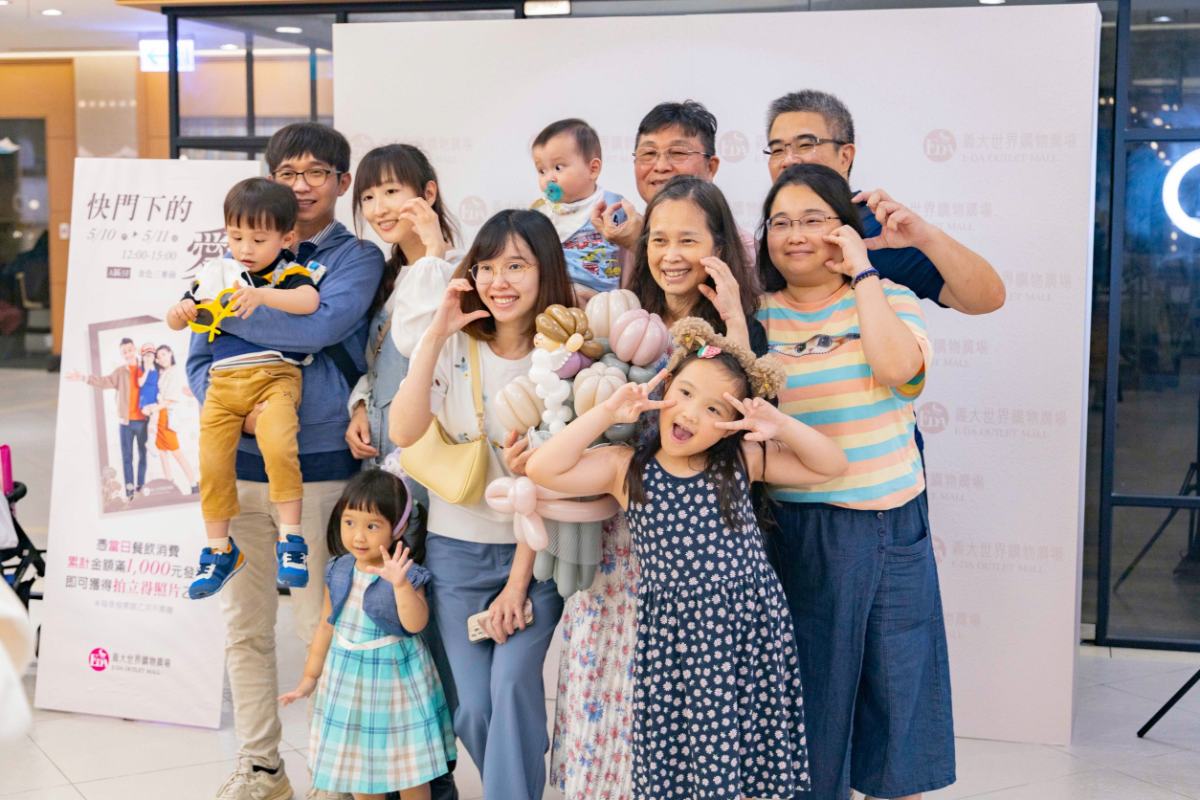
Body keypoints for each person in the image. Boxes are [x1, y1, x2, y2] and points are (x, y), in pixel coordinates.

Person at [526, 317, 847, 800]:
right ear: (665, 387)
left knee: (741, 753)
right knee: (682, 759)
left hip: (744, 629)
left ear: (731, 423)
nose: (693, 413)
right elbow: (542, 469)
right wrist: (608, 411)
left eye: (714, 408)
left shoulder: (741, 460)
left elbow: (831, 465)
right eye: (686, 393)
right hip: (675, 638)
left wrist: (779, 425)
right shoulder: (625, 467)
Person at [186, 122, 385, 800]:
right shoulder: (228, 256)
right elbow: (197, 360)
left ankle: (336, 776)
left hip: (321, 467)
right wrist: (233, 407)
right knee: (246, 630)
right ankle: (261, 769)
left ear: (341, 181)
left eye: (316, 172)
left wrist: (224, 313)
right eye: (288, 172)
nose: (301, 185)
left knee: (321, 627)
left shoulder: (355, 258)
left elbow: (323, 324)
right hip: (240, 469)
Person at [756, 164, 955, 800]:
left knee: (897, 711)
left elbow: (897, 370)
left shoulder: (888, 296)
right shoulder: (757, 317)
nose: (795, 234)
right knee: (810, 711)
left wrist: (863, 271)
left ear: (844, 227)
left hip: (892, 523)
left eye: (813, 219)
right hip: (798, 530)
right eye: (781, 222)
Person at [389, 210, 572, 800]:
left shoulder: (567, 359)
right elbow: (404, 430)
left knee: (514, 687)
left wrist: (518, 586)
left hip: (535, 558)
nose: (499, 281)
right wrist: (435, 333)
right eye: (487, 267)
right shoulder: (454, 346)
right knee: (473, 709)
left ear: (545, 272)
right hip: (457, 554)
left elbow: (555, 488)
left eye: (516, 266)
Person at [342, 143, 462, 800]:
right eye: (369, 196)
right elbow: (378, 362)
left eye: (393, 191)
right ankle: (387, 777)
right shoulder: (392, 277)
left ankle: (431, 782)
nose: (381, 207)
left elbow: (433, 355)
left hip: (430, 469)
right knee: (387, 623)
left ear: (429, 192)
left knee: (422, 627)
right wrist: (361, 402)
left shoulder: (453, 270)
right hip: (386, 468)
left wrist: (436, 250)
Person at [170, 177, 320, 599]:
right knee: (212, 463)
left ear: (286, 238)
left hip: (274, 380)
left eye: (258, 239)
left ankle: (291, 540)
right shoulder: (215, 272)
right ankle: (219, 549)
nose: (245, 249)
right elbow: (178, 318)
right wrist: (180, 312)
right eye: (236, 237)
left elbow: (309, 301)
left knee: (279, 444)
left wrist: (265, 297)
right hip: (223, 386)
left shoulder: (288, 271)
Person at [279, 469, 456, 800]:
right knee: (360, 771)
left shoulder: (407, 574)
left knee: (409, 769)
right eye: (349, 522)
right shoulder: (338, 569)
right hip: (348, 680)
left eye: (372, 526)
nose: (358, 536)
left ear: (398, 527)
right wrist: (309, 678)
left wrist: (400, 585)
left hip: (397, 681)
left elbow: (416, 623)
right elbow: (327, 624)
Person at [764, 89, 1005, 315]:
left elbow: (987, 299)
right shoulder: (771, 233)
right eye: (777, 150)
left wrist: (926, 236)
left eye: (805, 145)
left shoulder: (877, 230)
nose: (788, 160)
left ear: (845, 156)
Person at [590, 100, 755, 260]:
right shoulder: (617, 237)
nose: (661, 166)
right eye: (649, 153)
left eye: (678, 153)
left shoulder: (744, 252)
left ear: (710, 167)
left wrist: (636, 246)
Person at [626, 175, 764, 354]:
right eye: (659, 240)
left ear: (718, 249)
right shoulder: (629, 316)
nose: (671, 256)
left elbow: (745, 371)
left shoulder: (744, 329)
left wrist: (734, 321)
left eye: (687, 241)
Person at [530, 118, 627, 303]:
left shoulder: (613, 205)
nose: (549, 178)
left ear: (593, 169)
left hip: (605, 296)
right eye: (541, 171)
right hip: (558, 293)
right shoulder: (540, 212)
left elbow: (632, 250)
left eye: (558, 168)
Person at [66, 337, 148, 499]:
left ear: (135, 349)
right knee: (127, 458)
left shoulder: (146, 368)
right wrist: (83, 377)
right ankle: (130, 492)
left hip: (143, 421)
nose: (128, 354)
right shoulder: (120, 372)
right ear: (122, 354)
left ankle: (140, 487)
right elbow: (104, 382)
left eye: (130, 350)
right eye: (124, 352)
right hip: (125, 423)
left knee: (143, 456)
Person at [147, 344, 198, 494]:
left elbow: (171, 398)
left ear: (170, 353)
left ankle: (193, 483)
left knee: (176, 451)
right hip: (160, 415)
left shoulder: (174, 372)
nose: (161, 358)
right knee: (162, 451)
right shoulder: (163, 373)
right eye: (159, 357)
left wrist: (155, 408)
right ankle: (169, 483)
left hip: (167, 415)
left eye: (164, 354)